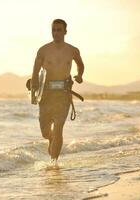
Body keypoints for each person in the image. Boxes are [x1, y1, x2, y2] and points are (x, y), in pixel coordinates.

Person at [31, 19, 84, 162]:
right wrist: (33, 85)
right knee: (45, 132)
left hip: (63, 94)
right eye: (53, 30)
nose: (56, 33)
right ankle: (51, 138)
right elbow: (35, 72)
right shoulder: (43, 50)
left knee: (59, 127)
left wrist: (79, 75)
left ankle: (53, 164)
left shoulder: (72, 50)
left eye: (59, 30)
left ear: (65, 31)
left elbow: (80, 64)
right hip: (46, 94)